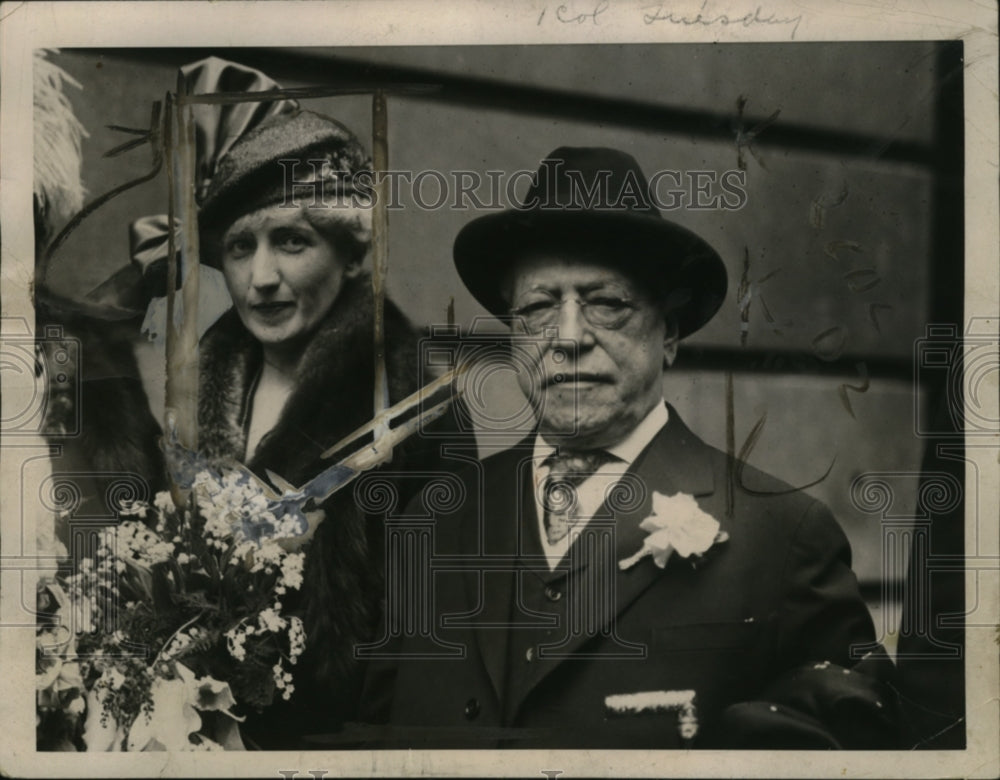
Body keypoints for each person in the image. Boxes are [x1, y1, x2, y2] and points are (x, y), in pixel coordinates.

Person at [363, 147, 899, 749]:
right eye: (539, 307)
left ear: (668, 333)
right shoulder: (434, 522)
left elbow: (854, 740)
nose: (567, 338)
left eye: (607, 303)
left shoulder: (783, 535)